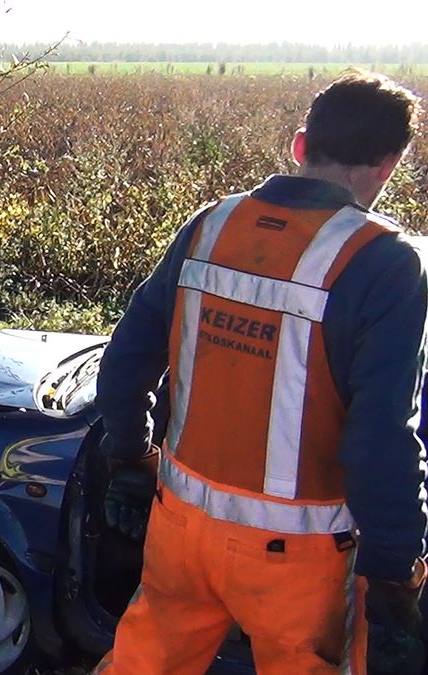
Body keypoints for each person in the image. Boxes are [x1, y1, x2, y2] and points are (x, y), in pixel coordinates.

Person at [93, 71, 428, 674]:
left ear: (300, 146)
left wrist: (130, 458)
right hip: (300, 561)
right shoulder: (386, 262)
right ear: (390, 165)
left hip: (181, 526)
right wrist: (398, 567)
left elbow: (124, 362)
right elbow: (382, 438)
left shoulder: (211, 225)